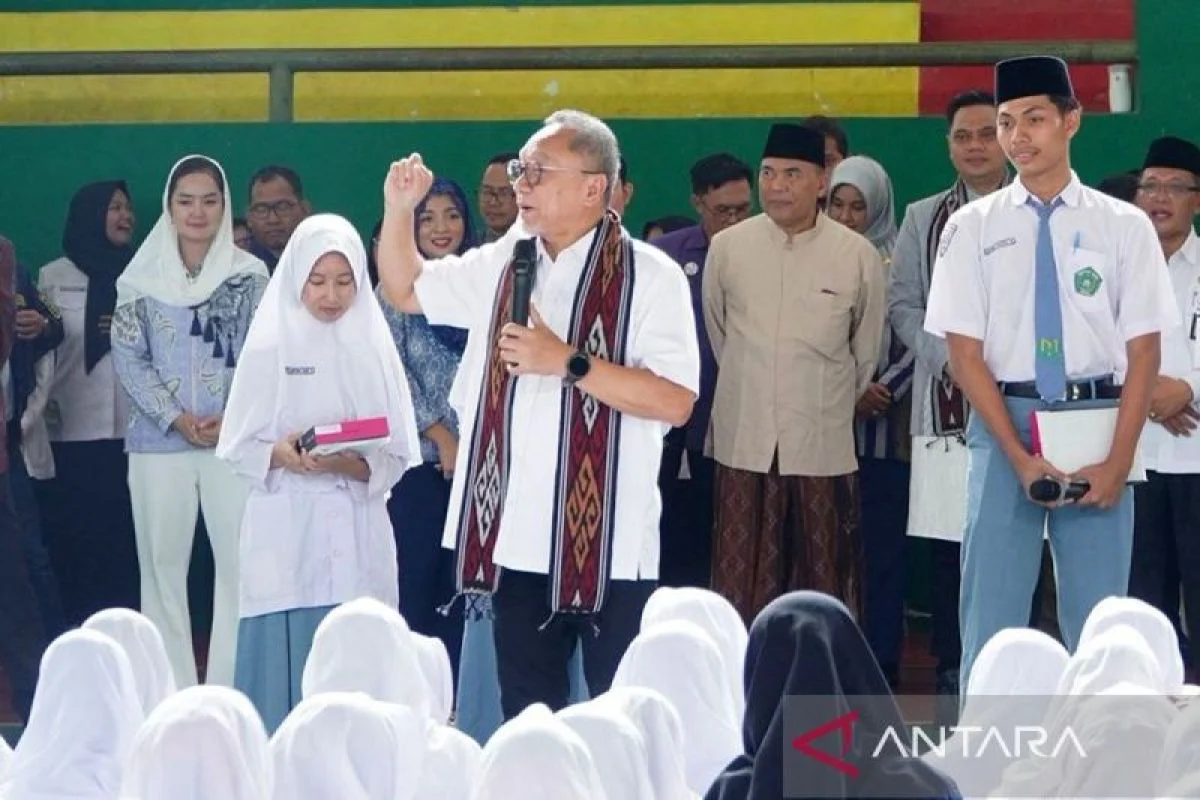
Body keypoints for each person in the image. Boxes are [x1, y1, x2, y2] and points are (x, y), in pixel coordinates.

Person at [377, 108, 700, 721]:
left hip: (610, 540)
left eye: (538, 172)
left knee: (615, 717)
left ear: (593, 187)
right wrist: (399, 209)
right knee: (529, 717)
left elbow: (675, 400)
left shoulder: (649, 274)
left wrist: (569, 362)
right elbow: (407, 288)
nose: (520, 184)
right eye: (521, 170)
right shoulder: (508, 261)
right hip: (517, 536)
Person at [923, 56, 1177, 694]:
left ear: (1072, 121)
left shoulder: (1122, 225)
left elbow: (1144, 350)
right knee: (991, 616)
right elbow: (963, 355)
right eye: (1006, 122)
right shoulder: (970, 227)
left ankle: (1096, 773)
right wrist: (1015, 454)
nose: (1017, 137)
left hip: (1098, 420)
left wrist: (1119, 461)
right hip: (1002, 420)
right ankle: (985, 773)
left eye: (1034, 119)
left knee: (1099, 626)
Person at [215, 214, 421, 732]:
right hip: (288, 527)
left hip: (356, 526)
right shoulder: (269, 345)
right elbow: (238, 442)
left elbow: (396, 452)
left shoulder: (373, 347)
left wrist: (349, 465)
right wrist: (282, 454)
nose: (331, 295)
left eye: (344, 281)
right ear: (297, 279)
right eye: (319, 280)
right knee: (286, 668)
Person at [704, 123, 886, 624]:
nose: (777, 185)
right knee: (740, 583)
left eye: (791, 174)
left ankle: (824, 694)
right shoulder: (729, 248)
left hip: (821, 442)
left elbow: (864, 352)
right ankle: (743, 693)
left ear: (822, 181)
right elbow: (720, 336)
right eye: (768, 173)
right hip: (745, 438)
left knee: (824, 577)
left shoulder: (857, 256)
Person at [112, 154, 270, 689]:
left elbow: (262, 357)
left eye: (209, 200)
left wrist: (233, 418)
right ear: (169, 207)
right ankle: (169, 696)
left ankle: (231, 692)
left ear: (225, 208)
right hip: (158, 445)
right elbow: (129, 359)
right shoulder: (140, 278)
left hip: (233, 443)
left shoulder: (250, 277)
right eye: (186, 201)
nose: (197, 212)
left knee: (240, 570)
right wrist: (174, 417)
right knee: (160, 571)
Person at [887, 88, 1012, 700]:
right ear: (949, 145)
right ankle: (949, 664)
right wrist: (952, 362)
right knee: (945, 545)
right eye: (963, 136)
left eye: (987, 133)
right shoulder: (921, 216)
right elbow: (903, 303)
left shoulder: (1039, 210)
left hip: (1024, 405)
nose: (975, 146)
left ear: (1009, 136)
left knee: (1018, 540)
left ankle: (1014, 665)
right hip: (944, 408)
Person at [380, 177, 476, 682]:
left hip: (479, 464)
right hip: (418, 464)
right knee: (413, 579)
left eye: (451, 215)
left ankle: (462, 692)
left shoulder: (485, 283)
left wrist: (471, 445)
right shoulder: (393, 291)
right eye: (426, 217)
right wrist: (442, 437)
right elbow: (390, 372)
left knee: (465, 584)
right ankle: (411, 690)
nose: (441, 228)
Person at [39, 180, 141, 627]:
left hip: (131, 439)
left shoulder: (141, 274)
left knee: (125, 545)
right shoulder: (52, 277)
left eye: (128, 208)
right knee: (78, 543)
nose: (125, 216)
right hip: (70, 434)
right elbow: (44, 356)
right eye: (114, 207)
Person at [828, 153, 912, 688]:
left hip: (884, 439)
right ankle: (831, 660)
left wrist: (879, 391)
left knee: (881, 557)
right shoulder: (816, 259)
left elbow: (919, 335)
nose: (848, 216)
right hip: (826, 437)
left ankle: (881, 662)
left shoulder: (900, 259)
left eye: (859, 206)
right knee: (829, 555)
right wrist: (844, 393)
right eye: (837, 203)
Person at [653, 152, 754, 589]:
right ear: (697, 202)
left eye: (743, 210)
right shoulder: (666, 257)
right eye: (722, 211)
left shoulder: (765, 252)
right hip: (679, 431)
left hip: (745, 428)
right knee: (677, 545)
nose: (734, 220)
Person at [1129, 135, 1200, 669]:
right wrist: (1152, 391)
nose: (1160, 196)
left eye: (1175, 187)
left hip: (1197, 458)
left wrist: (1190, 389)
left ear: (1196, 199)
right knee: (1143, 607)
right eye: (1150, 185)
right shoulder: (1118, 269)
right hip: (1135, 462)